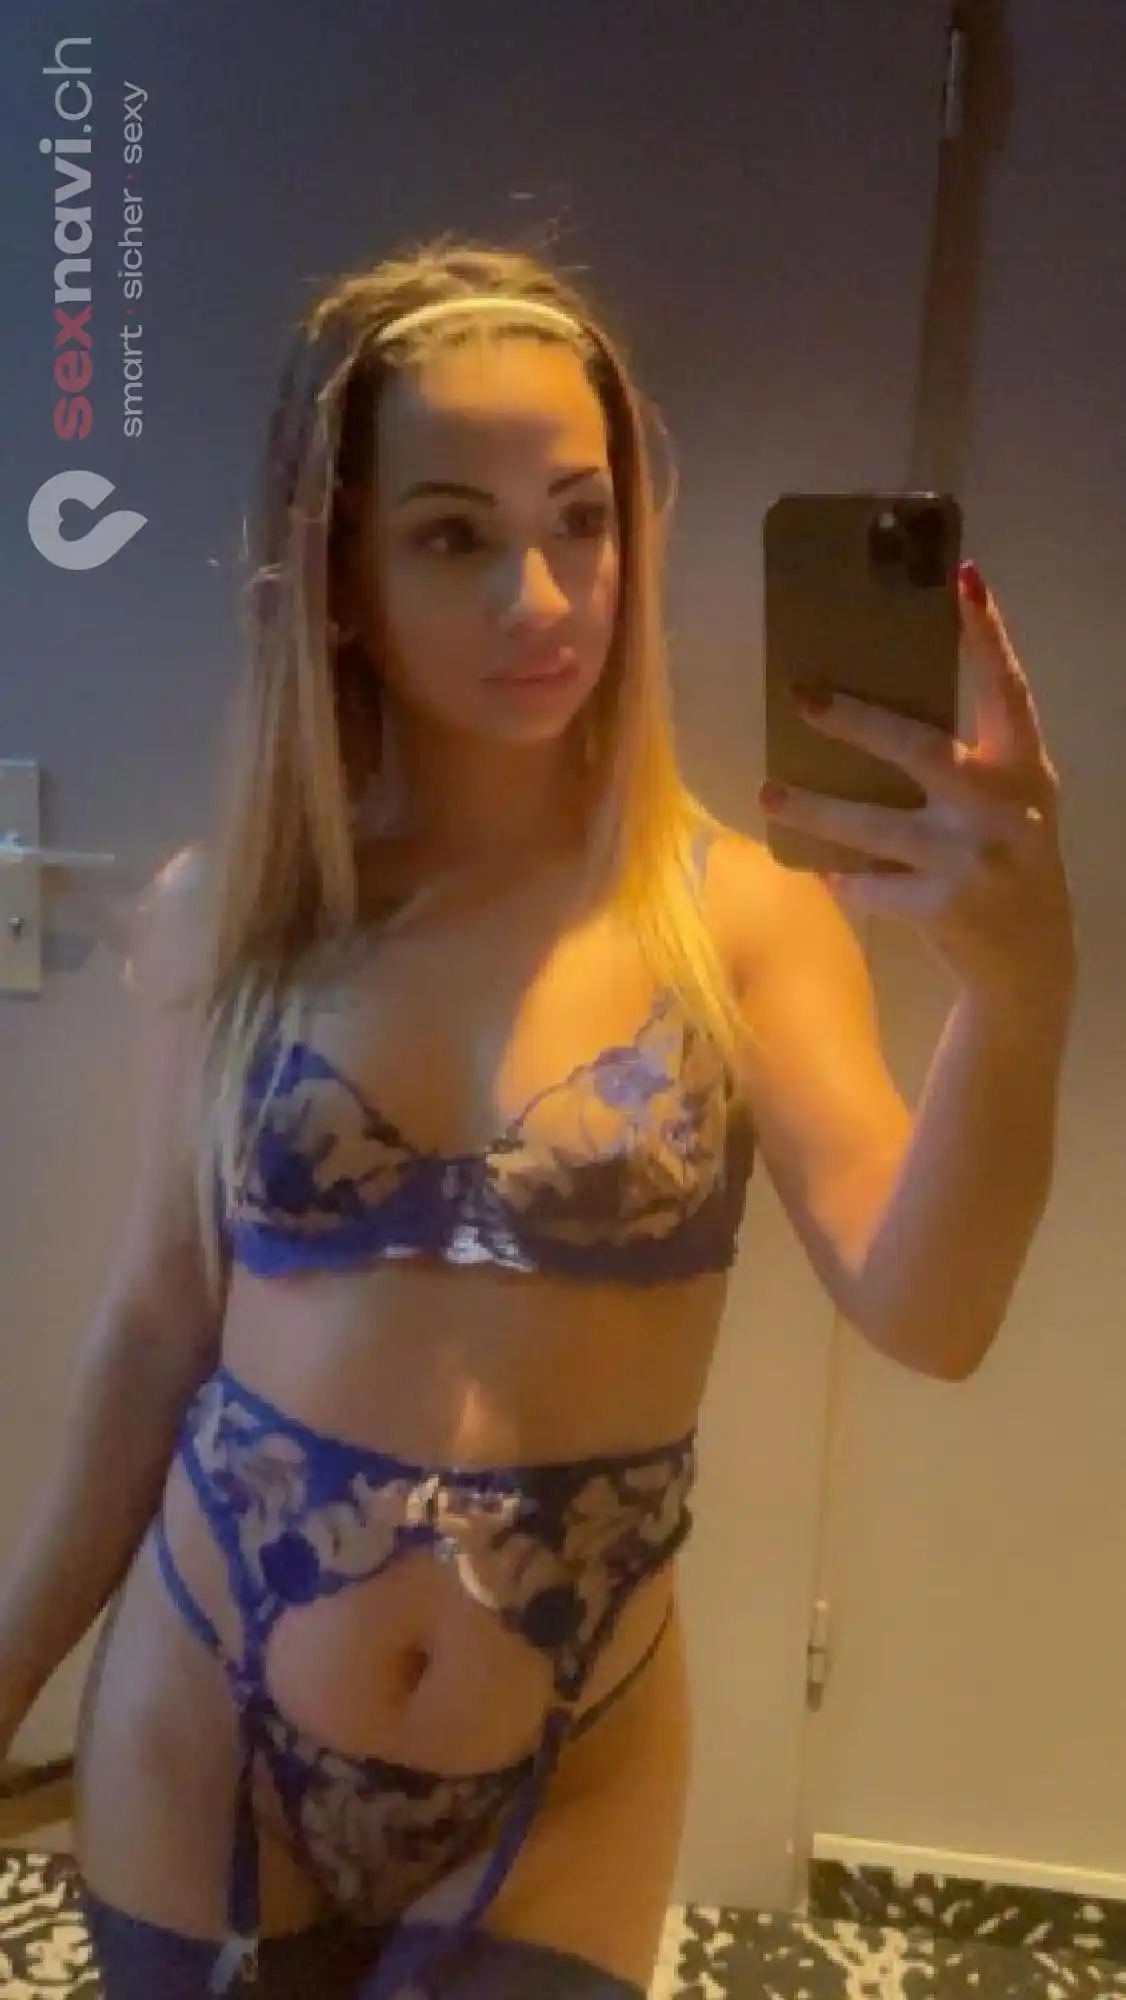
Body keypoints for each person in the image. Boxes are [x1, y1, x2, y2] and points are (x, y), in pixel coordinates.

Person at [0, 239, 1075, 1998]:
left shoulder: (735, 921)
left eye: (582, 520)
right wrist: (6, 1675)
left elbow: (930, 1312)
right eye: (454, 536)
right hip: (205, 1707)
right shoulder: (232, 919)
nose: (543, 594)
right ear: (339, 575)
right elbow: (151, 1327)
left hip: (567, 1765)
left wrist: (1018, 1001)